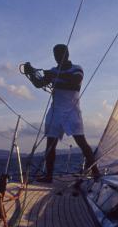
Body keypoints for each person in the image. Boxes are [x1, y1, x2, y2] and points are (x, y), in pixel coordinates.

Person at [22, 44, 100, 182]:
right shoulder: (52, 71)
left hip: (72, 112)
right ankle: (49, 176)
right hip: (55, 112)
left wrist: (54, 75)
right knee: (50, 144)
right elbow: (39, 84)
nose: (58, 57)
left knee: (82, 143)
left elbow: (75, 83)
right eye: (56, 54)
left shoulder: (77, 69)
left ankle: (96, 172)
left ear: (67, 54)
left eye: (60, 54)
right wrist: (31, 73)